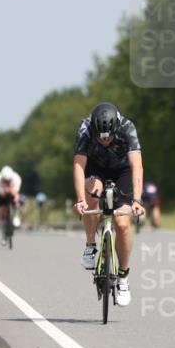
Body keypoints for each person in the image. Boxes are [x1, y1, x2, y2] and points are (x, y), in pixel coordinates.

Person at [73, 102, 145, 306]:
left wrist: (137, 200)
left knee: (122, 224)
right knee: (91, 194)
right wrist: (80, 199)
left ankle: (123, 278)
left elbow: (137, 166)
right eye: (100, 138)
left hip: (123, 171)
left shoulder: (127, 128)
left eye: (109, 138)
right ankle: (90, 245)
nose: (105, 142)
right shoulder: (85, 128)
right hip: (96, 168)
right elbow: (79, 165)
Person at [0, 165, 22, 245]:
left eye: (8, 180)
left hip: (12, 192)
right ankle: (4, 234)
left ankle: (16, 215)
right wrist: (6, 189)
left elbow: (15, 193)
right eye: (5, 180)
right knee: (2, 211)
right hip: (2, 194)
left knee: (16, 200)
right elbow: (2, 195)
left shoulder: (16, 178)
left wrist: (11, 191)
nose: (7, 182)